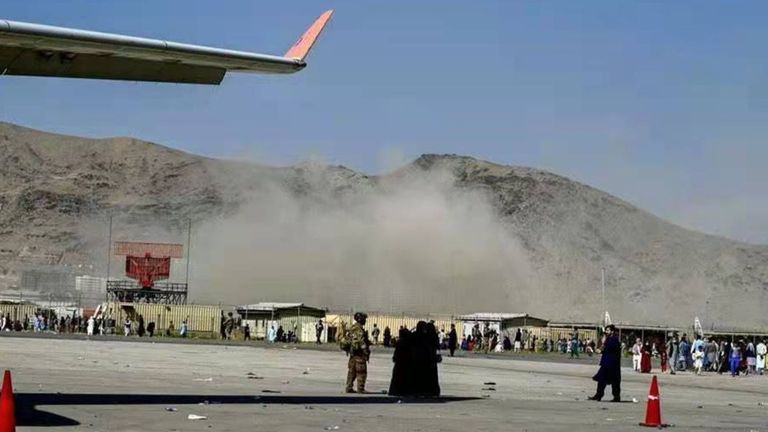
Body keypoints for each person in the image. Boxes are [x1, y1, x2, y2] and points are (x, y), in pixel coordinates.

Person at [589, 325, 621, 402]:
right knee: (601, 380)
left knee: (615, 381)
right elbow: (605, 348)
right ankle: (598, 395)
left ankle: (616, 397)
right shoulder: (608, 339)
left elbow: (611, 349)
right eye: (606, 330)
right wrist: (600, 350)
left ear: (612, 331)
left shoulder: (614, 339)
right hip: (606, 362)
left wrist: (602, 349)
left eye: (608, 330)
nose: (606, 332)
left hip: (612, 364)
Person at [344, 312, 371, 393]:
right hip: (359, 354)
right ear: (360, 319)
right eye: (364, 319)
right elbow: (361, 341)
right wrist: (365, 351)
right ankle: (361, 388)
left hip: (353, 354)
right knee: (361, 371)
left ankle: (349, 387)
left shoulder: (352, 327)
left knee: (352, 371)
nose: (365, 320)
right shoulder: (359, 329)